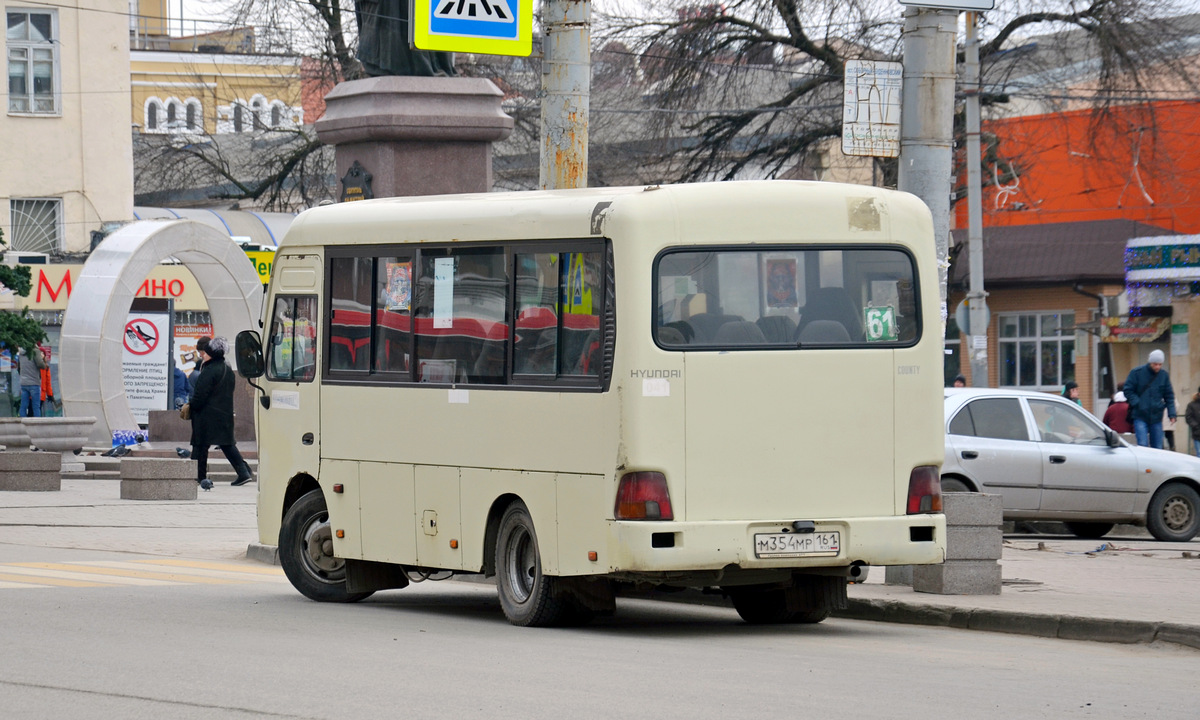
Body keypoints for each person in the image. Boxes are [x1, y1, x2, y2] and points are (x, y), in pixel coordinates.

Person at [189, 336, 254, 490]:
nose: (203, 355)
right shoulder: (227, 369)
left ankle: (197, 477)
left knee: (200, 445)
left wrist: (192, 406)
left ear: (212, 354)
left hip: (206, 416)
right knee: (227, 444)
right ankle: (243, 472)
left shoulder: (209, 370)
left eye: (206, 353)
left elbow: (200, 395)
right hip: (224, 413)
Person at [1123, 349, 1176, 449]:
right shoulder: (1136, 373)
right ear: (1150, 362)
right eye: (1155, 364)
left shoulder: (1164, 376)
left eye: (1160, 364)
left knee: (1157, 446)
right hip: (1140, 415)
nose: (1157, 367)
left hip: (1156, 416)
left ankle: (1156, 465)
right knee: (1142, 445)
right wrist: (1137, 403)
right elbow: (1128, 390)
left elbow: (1169, 396)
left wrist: (1172, 414)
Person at [17, 345, 47, 417]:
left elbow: (19, 367)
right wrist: (44, 363)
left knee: (23, 406)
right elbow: (40, 364)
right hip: (34, 382)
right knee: (36, 406)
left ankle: (23, 423)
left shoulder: (21, 352)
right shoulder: (35, 351)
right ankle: (37, 425)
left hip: (24, 383)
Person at [1185, 387, 1200, 457]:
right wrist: (1196, 426)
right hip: (1197, 433)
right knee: (1199, 453)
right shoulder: (1192, 405)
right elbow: (1188, 417)